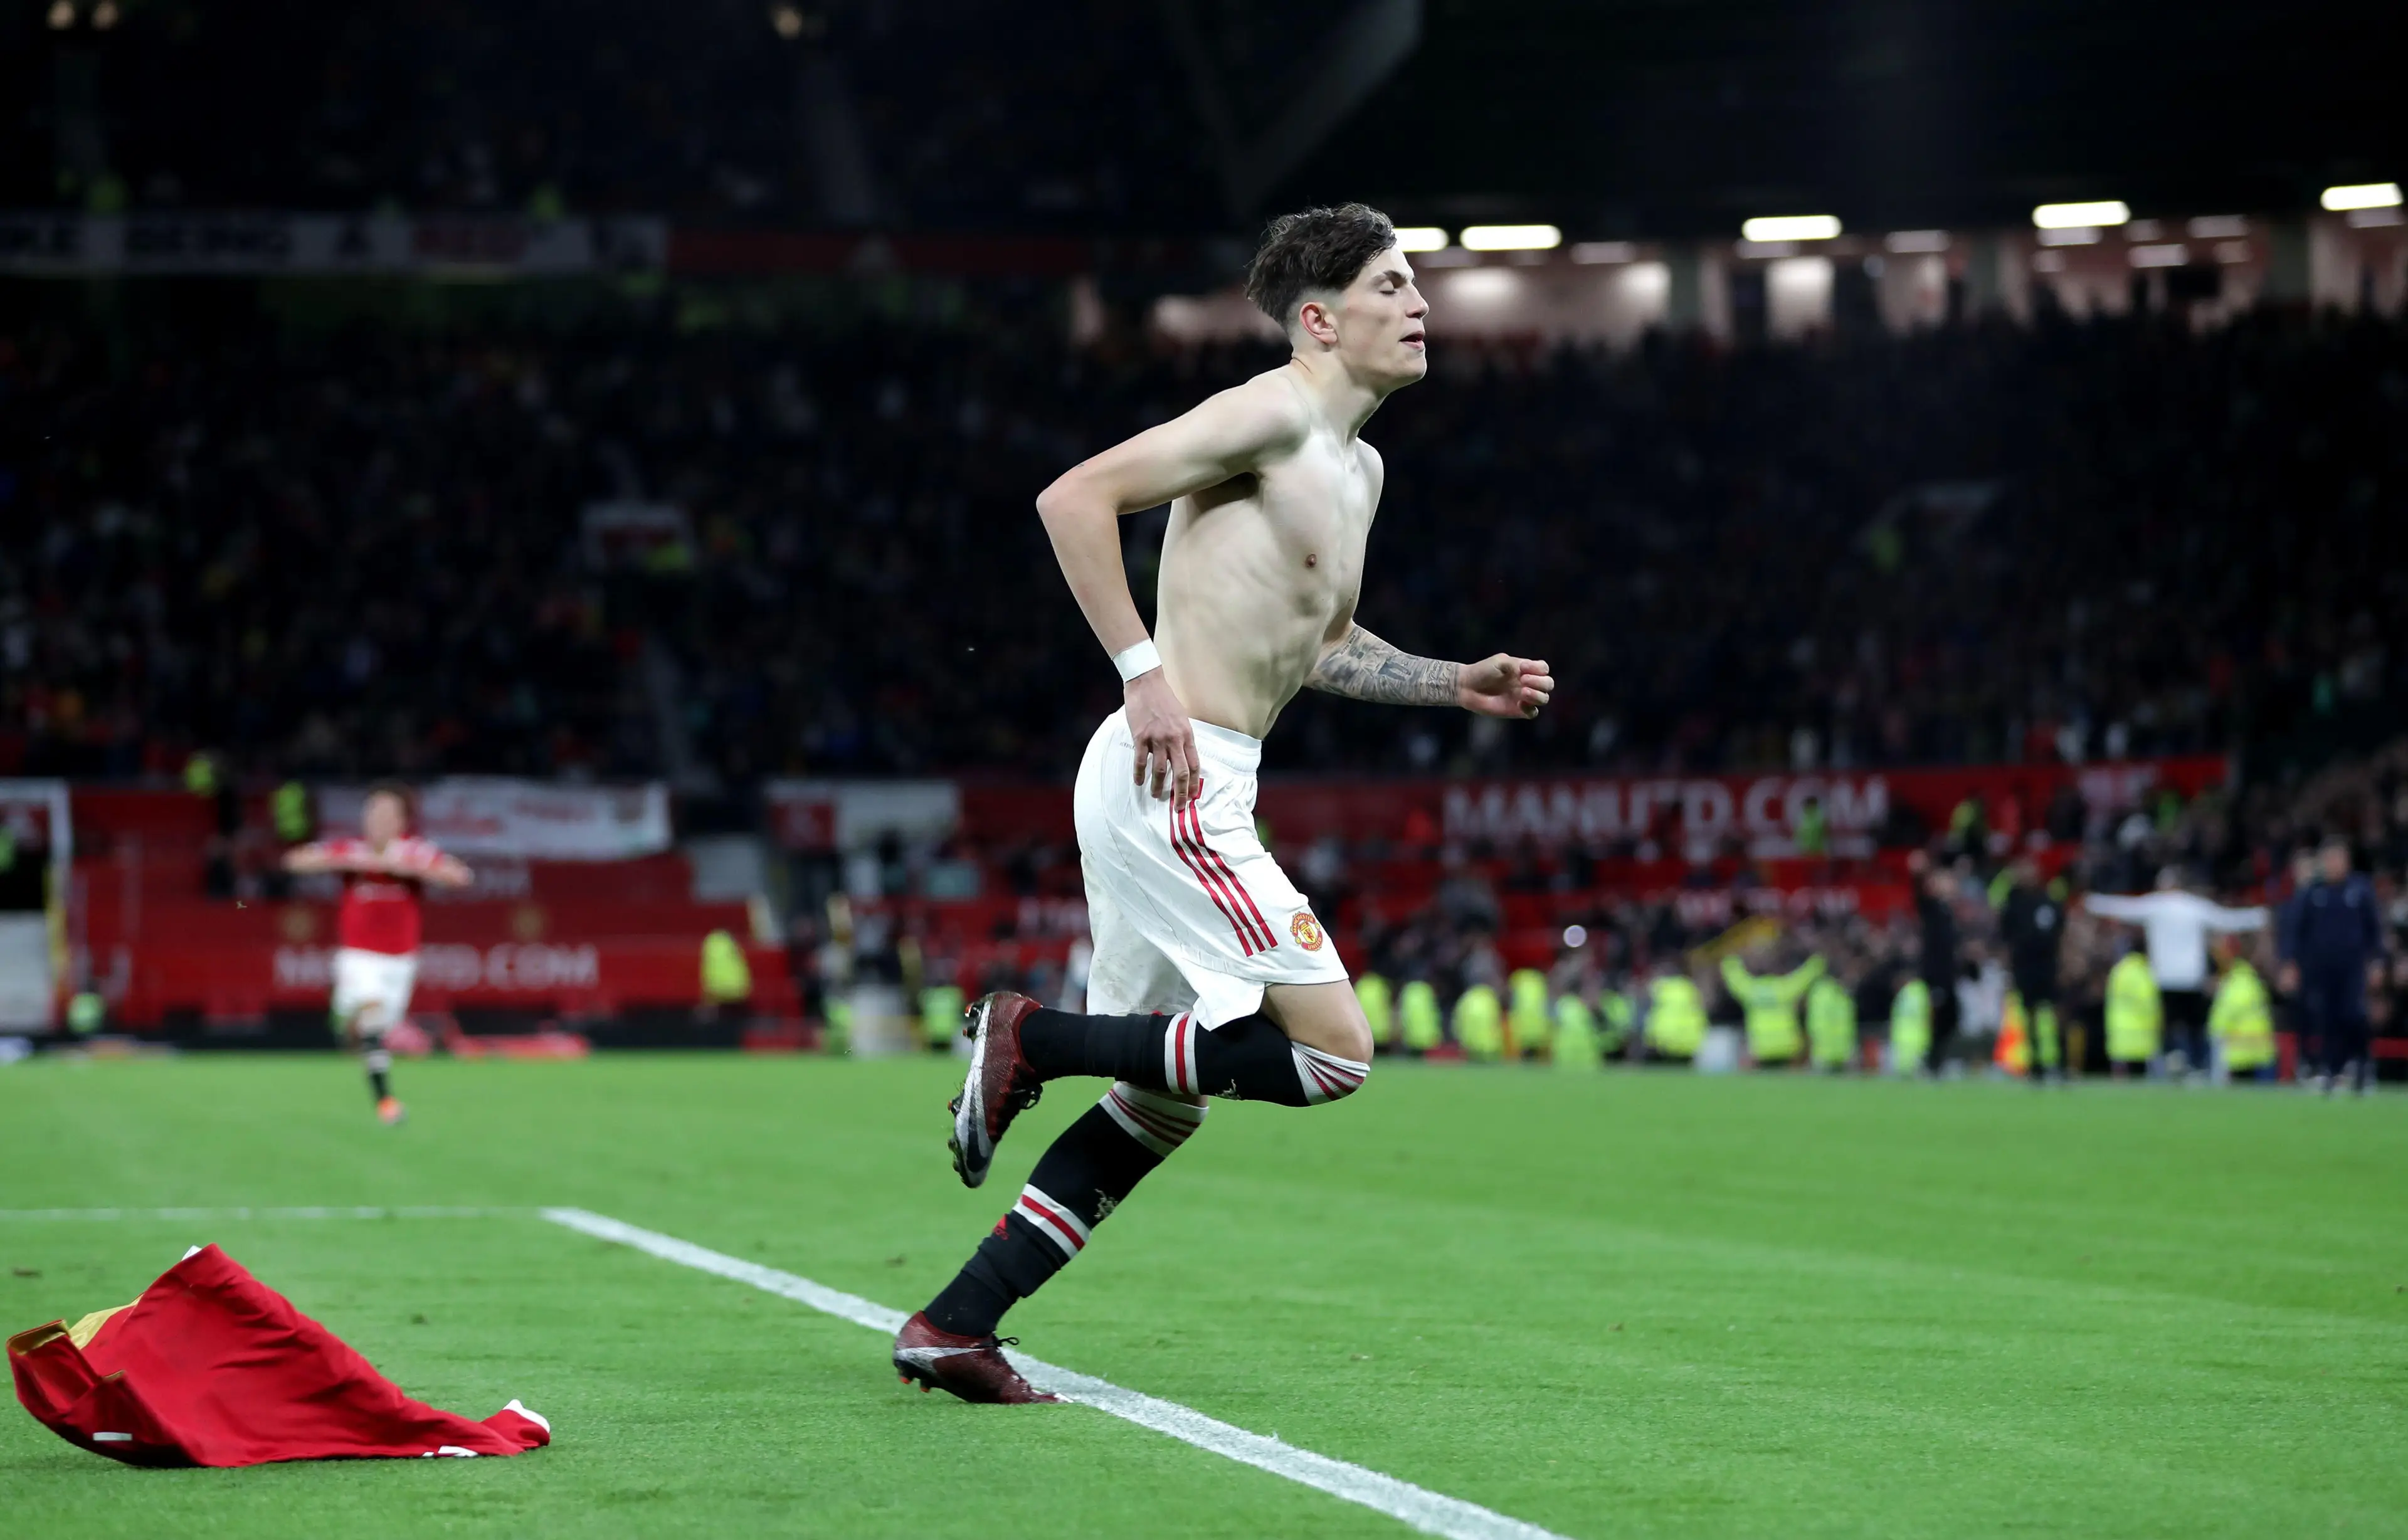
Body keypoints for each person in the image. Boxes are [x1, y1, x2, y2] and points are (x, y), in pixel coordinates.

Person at [895, 204, 1555, 1404]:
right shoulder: (1269, 413)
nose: (1420, 305)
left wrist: (1454, 682)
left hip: (1188, 770)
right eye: (1393, 284)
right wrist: (1141, 673)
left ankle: (952, 1324)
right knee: (1335, 1058)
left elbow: (1324, 638)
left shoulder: (1357, 466)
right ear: (1320, 318)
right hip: (1176, 770)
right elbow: (1074, 499)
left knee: (1158, 1106)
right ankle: (1028, 1033)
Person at [282, 784, 471, 1124]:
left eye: (385, 814)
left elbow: (460, 876)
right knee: (372, 1013)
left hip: (400, 960)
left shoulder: (415, 853)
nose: (377, 820)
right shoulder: (352, 850)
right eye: (372, 812)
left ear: (401, 821)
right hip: (359, 955)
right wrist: (343, 859)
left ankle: (348, 1025)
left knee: (377, 1028)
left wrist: (408, 869)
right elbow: (294, 860)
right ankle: (386, 1101)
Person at [2082, 868, 2268, 1083]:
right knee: (2195, 1027)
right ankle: (2197, 1067)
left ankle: (2174, 1065)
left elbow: (2123, 908)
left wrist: (2091, 902)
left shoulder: (2157, 905)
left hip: (2166, 979)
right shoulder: (2195, 906)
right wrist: (2258, 916)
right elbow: (2226, 919)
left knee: (2170, 1028)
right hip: (2192, 979)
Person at [2276, 839, 2386, 1095]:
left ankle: (2360, 1062)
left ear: (2346, 862)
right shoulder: (2312, 893)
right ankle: (2330, 1069)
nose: (2334, 865)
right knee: (2326, 1018)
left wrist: (2378, 961)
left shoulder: (2360, 891)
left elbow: (2374, 930)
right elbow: (2294, 931)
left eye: (2338, 859)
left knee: (2353, 1014)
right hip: (2320, 969)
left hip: (2353, 968)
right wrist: (2289, 964)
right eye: (2329, 860)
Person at [1996, 858, 2069, 1083]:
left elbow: (2062, 936)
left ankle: (2062, 1062)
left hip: (2048, 967)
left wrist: (2064, 965)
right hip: (2024, 968)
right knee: (2029, 1016)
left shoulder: (2049, 902)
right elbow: (2004, 939)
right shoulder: (2012, 903)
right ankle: (2036, 1064)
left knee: (2057, 1015)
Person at [1718, 948, 1824, 1068]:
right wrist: (1818, 961)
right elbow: (1805, 977)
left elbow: (1735, 979)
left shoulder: (1751, 991)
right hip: (1787, 1046)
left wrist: (1730, 960)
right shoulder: (1784, 989)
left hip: (1762, 1048)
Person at [2207, 942, 2276, 1084]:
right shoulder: (2255, 983)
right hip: (2260, 1051)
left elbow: (2221, 1020)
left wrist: (2212, 1034)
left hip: (2239, 1053)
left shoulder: (2236, 985)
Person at [2104, 944, 2162, 1079]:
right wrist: (2158, 1022)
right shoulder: (2144, 973)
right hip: (2142, 1032)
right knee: (2142, 1080)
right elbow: (2149, 1003)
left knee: (2121, 1074)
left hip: (2119, 1030)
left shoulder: (2118, 971)